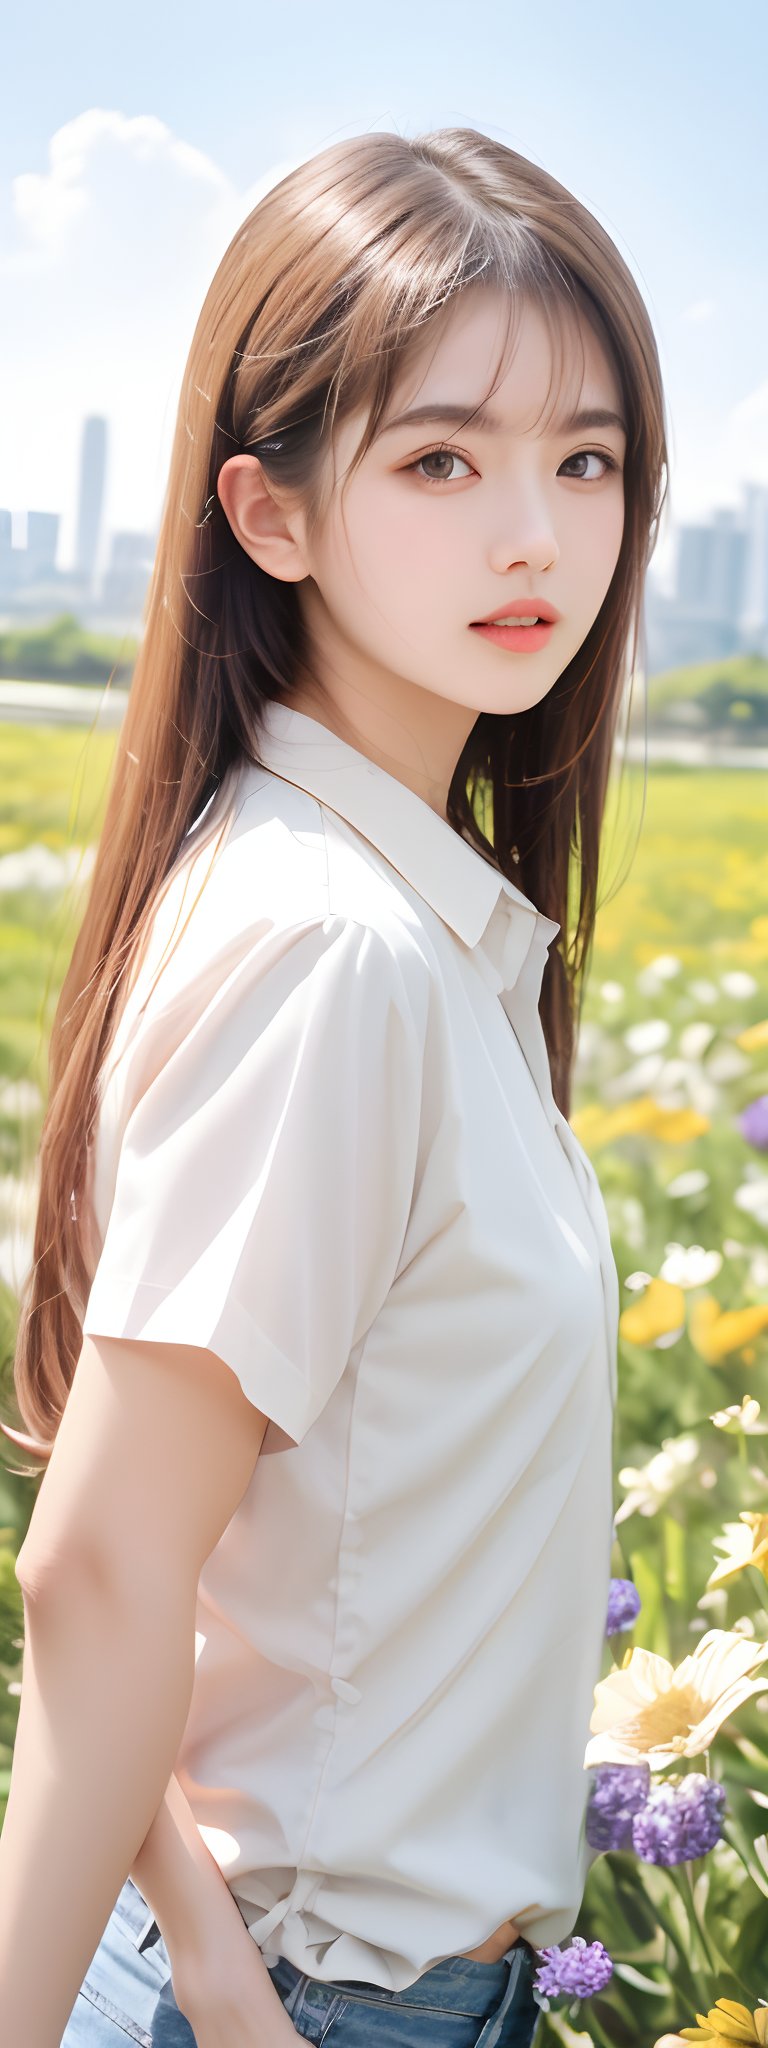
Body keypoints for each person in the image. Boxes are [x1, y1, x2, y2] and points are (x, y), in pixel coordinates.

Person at [0, 123, 668, 2048]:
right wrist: (207, 1977)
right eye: (443, 459)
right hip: (315, 2005)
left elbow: (218, 1583)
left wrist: (205, 1939)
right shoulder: (338, 952)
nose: (535, 532)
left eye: (586, 459)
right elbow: (106, 1568)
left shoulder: (382, 911)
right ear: (271, 514)